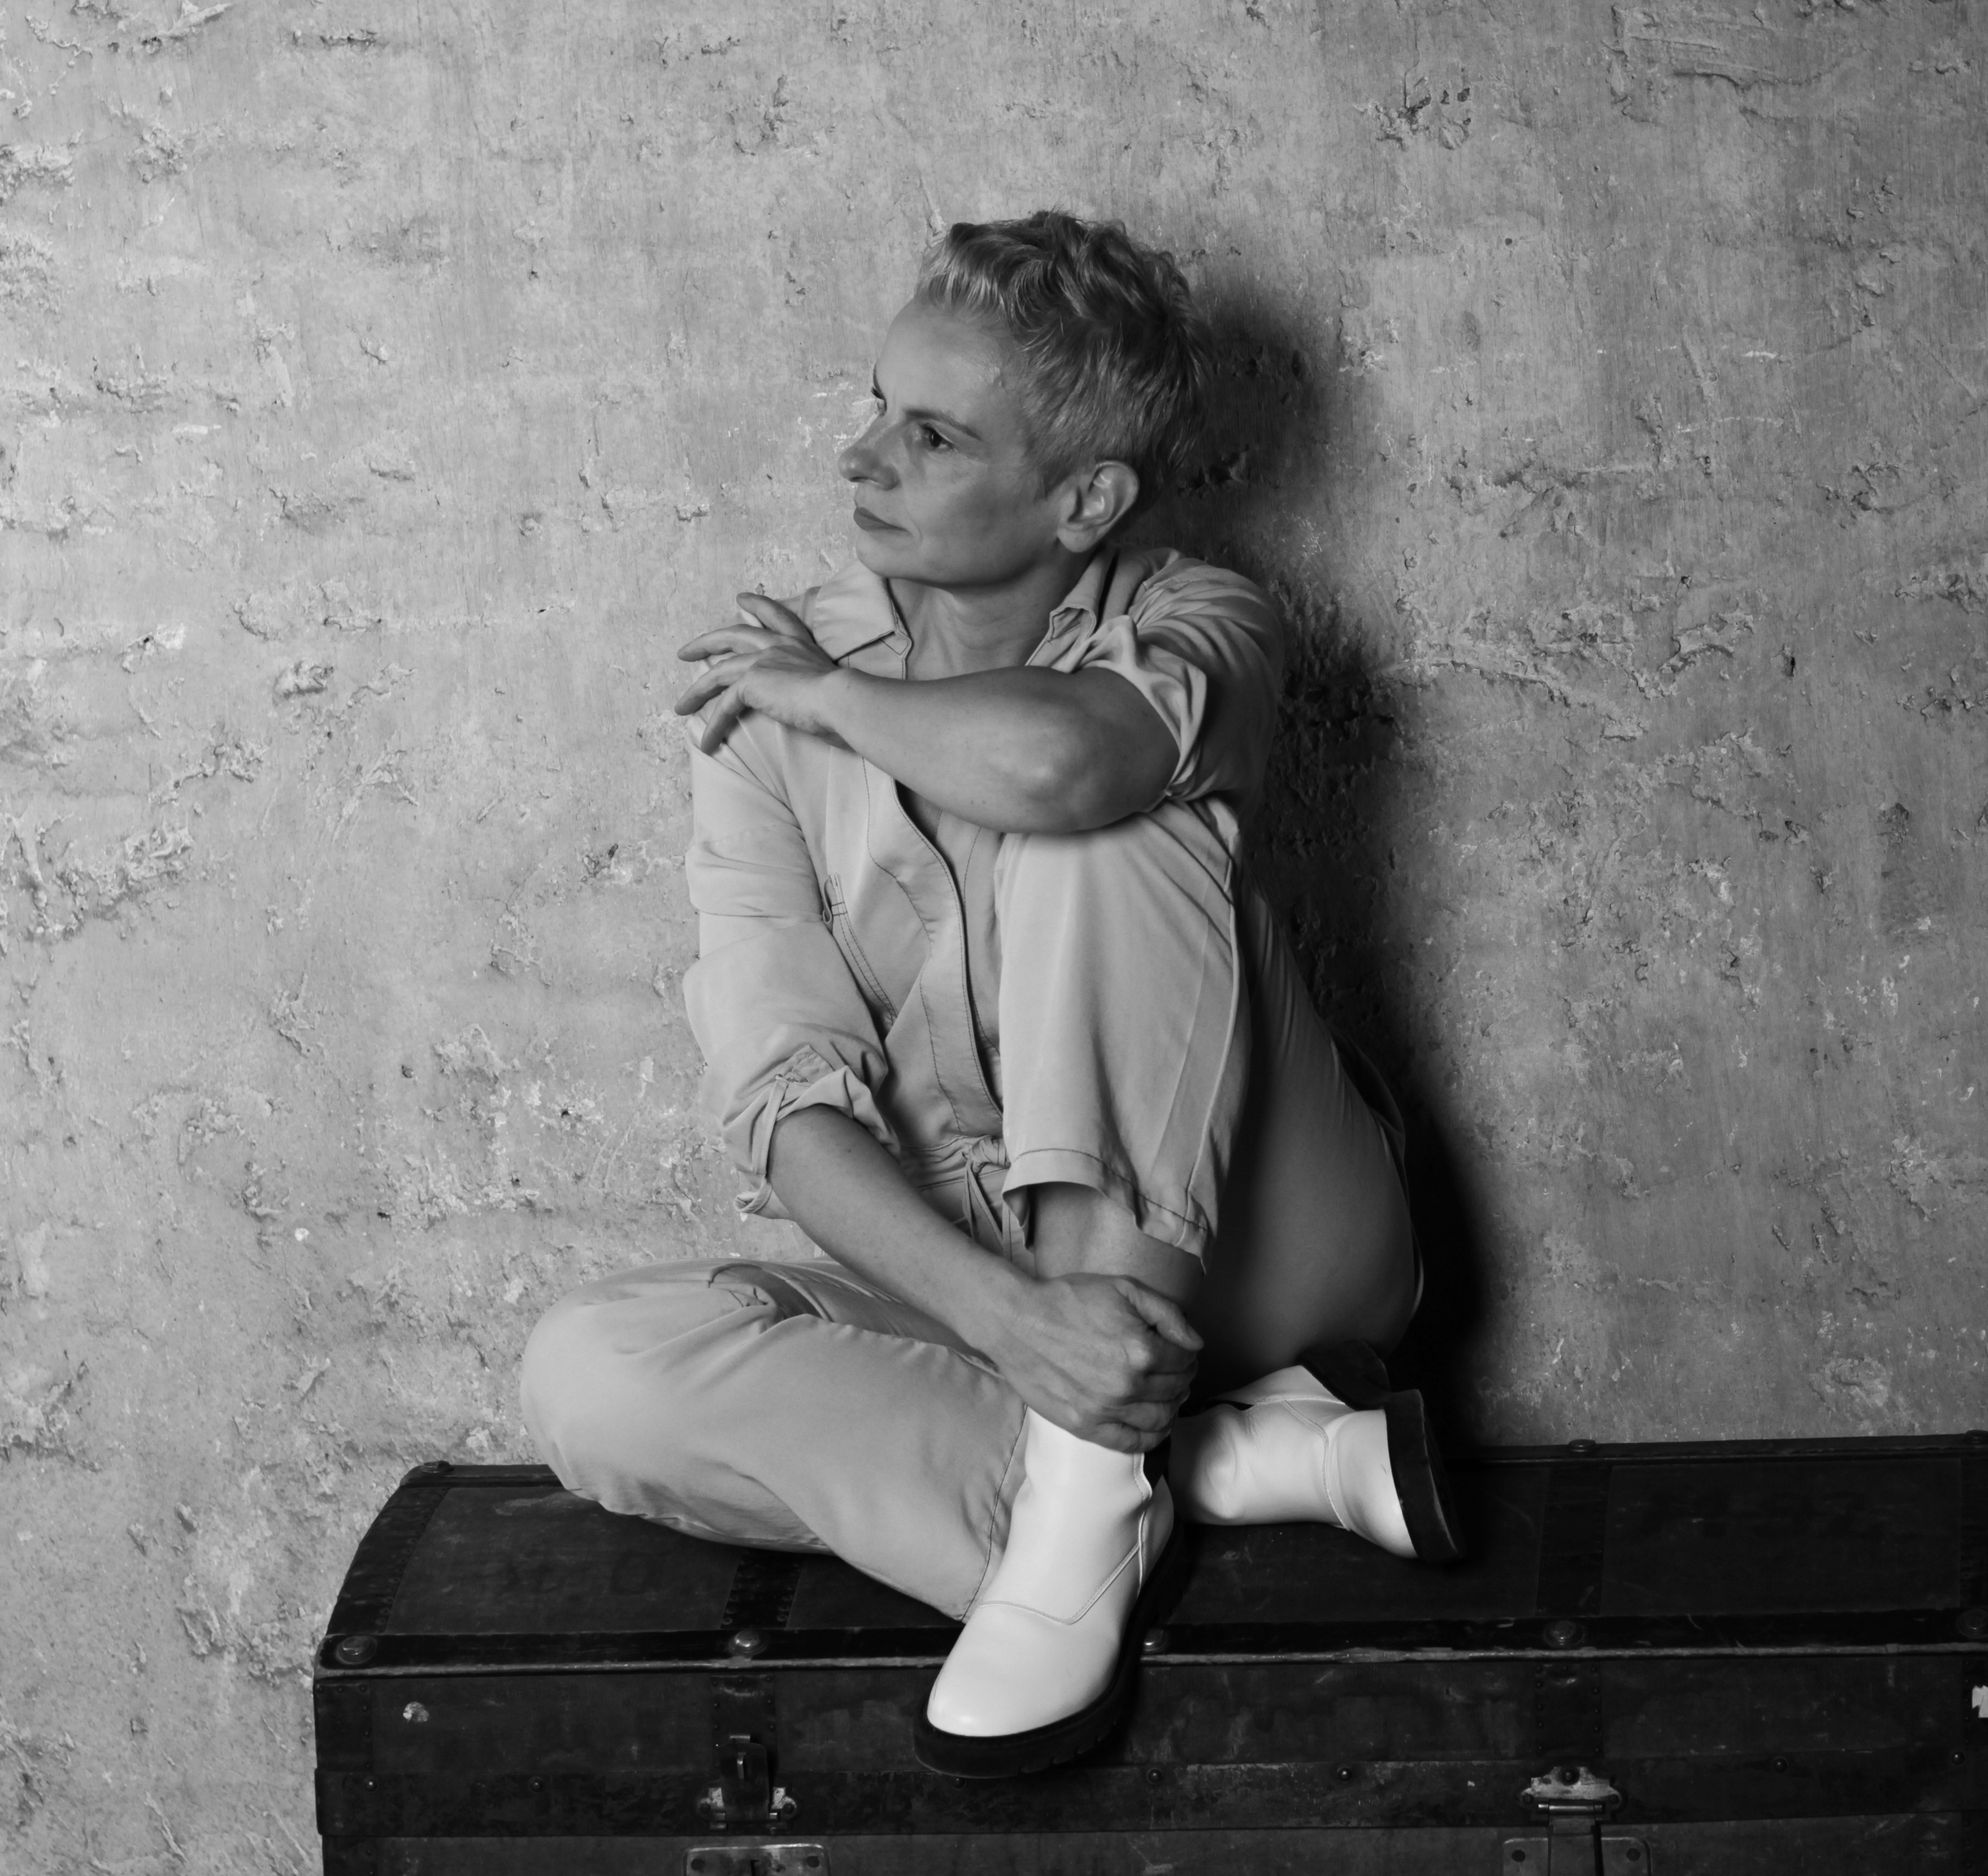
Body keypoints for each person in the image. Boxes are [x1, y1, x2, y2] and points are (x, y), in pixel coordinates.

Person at [520, 211, 1460, 1779]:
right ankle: (1209, 1464)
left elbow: (1058, 764)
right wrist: (1011, 1321)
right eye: (876, 404)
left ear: (1082, 498)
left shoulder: (1198, 618)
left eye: (932, 436)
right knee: (591, 1374)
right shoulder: (765, 710)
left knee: (1102, 833)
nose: (862, 460)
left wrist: (828, 696)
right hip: (1001, 1283)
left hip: (1278, 1252)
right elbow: (786, 1097)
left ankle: (1088, 1499)